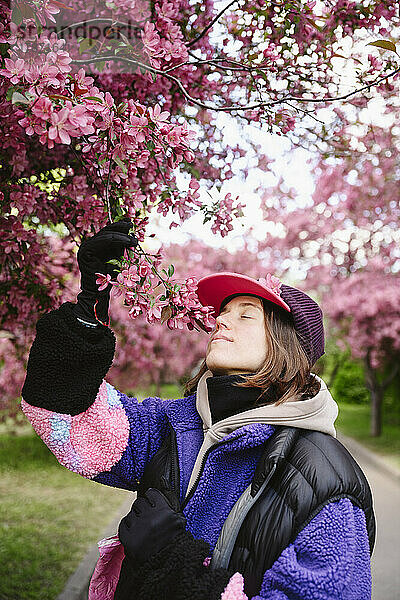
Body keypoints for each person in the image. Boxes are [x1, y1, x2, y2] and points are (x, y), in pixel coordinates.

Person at [21, 220, 375, 600]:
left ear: (287, 344)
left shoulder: (325, 483)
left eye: (245, 314)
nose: (219, 319)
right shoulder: (178, 425)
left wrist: (172, 561)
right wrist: (86, 313)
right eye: (223, 312)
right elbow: (69, 419)